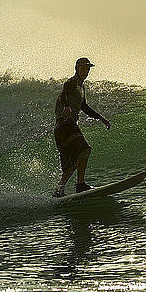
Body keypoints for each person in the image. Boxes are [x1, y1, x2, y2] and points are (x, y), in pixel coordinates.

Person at [52, 57, 111, 197]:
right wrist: (66, 106)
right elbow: (63, 94)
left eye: (88, 68)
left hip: (62, 128)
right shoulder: (72, 82)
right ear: (77, 69)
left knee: (72, 164)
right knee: (85, 149)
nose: (86, 71)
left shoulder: (81, 87)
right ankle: (80, 185)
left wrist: (101, 118)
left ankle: (58, 191)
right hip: (65, 124)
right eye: (83, 68)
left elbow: (84, 106)